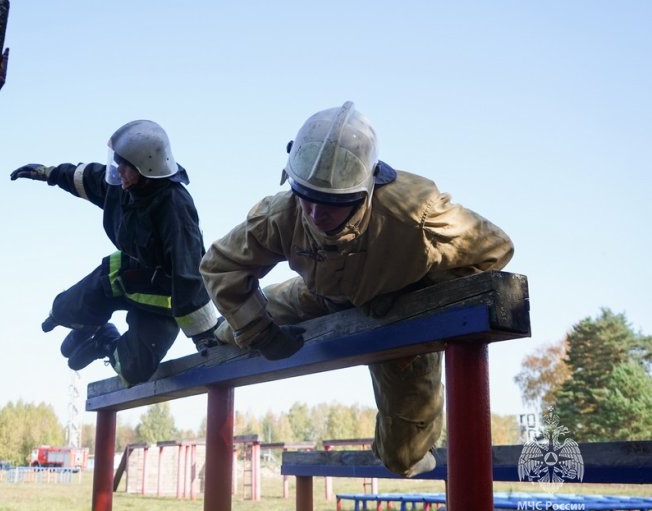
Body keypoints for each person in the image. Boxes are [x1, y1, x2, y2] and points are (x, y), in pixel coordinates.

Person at [199, 102, 514, 477]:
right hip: (317, 295)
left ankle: (414, 449)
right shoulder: (282, 213)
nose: (315, 214)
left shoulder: (416, 213)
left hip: (394, 310)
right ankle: (217, 334)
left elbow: (494, 250)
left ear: (365, 190)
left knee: (404, 456)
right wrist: (260, 333)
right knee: (232, 332)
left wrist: (417, 293)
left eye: (331, 204)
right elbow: (221, 265)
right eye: (307, 198)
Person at [10, 120, 220, 386]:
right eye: (117, 162)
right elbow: (86, 178)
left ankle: (104, 341)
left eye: (125, 165)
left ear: (147, 167)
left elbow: (188, 273)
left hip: (164, 299)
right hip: (125, 275)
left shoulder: (174, 206)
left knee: (134, 371)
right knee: (64, 309)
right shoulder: (121, 187)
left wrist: (204, 333)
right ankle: (85, 322)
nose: (118, 170)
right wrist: (50, 173)